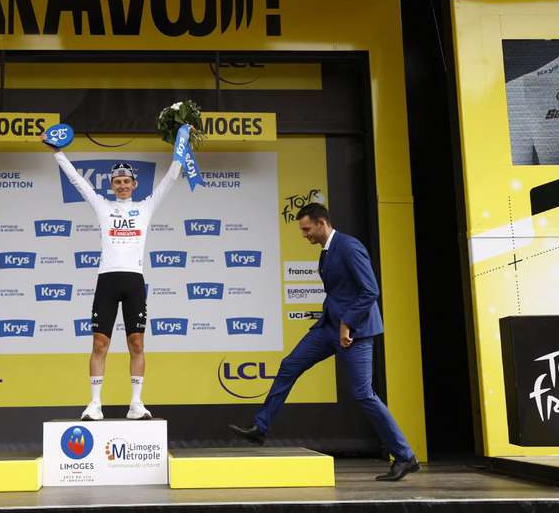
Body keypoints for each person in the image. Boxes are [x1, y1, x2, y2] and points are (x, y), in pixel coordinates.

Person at [228, 203, 420, 481]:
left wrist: (347, 323)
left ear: (322, 223)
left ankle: (405, 457)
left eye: (306, 229)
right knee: (289, 365)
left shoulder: (349, 247)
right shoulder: (326, 252)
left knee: (363, 394)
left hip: (354, 332)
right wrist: (333, 321)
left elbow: (370, 290)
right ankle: (260, 428)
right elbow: (338, 293)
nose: (304, 234)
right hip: (328, 328)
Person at [43, 133, 188, 421]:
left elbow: (171, 180)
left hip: (134, 281)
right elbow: (77, 182)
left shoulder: (146, 206)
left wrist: (181, 148)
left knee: (137, 343)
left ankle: (136, 404)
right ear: (111, 186)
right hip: (107, 280)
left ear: (134, 185)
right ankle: (95, 404)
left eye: (126, 181)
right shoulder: (102, 206)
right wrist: (58, 153)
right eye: (117, 182)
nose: (122, 185)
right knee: (100, 343)